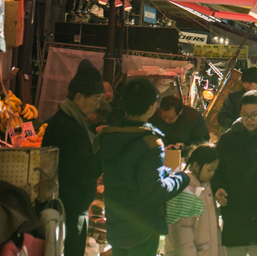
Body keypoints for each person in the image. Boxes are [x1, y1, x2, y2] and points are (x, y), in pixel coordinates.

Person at [97, 78, 190, 256]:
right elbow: (153, 191)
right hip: (143, 228)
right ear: (152, 106)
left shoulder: (107, 135)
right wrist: (182, 178)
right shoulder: (150, 142)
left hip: (116, 225)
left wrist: (164, 173)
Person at [42, 60, 104, 256]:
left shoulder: (65, 120)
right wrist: (106, 150)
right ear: (78, 97)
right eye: (94, 100)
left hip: (68, 207)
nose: (96, 106)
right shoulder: (69, 128)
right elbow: (86, 170)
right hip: (69, 209)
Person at [212, 90, 257, 256]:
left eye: (254, 115)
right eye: (245, 115)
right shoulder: (228, 139)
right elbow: (217, 169)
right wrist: (218, 187)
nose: (249, 120)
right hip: (234, 212)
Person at [164, 145, 222, 256]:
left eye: (215, 170)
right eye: (210, 169)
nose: (212, 173)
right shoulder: (184, 191)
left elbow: (215, 229)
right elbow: (182, 233)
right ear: (195, 166)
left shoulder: (207, 188)